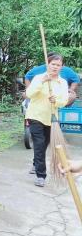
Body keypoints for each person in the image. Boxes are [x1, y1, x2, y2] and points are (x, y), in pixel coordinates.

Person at [25, 53, 68, 187]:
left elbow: (64, 101)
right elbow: (29, 94)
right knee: (39, 144)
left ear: (62, 67)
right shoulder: (39, 78)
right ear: (48, 64)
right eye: (53, 64)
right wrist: (42, 81)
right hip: (36, 116)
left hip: (51, 119)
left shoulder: (63, 82)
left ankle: (35, 163)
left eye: (58, 65)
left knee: (44, 145)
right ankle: (41, 175)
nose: (55, 67)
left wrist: (56, 100)